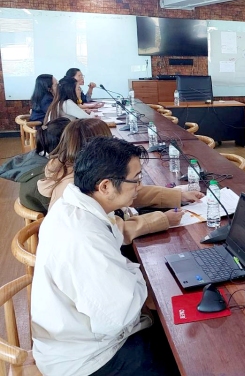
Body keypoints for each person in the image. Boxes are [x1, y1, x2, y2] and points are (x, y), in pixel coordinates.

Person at [31, 136, 180, 376]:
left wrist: (129, 274)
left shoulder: (77, 206)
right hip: (89, 359)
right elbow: (118, 315)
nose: (139, 186)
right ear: (105, 186)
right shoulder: (83, 236)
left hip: (79, 338)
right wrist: (136, 276)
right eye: (136, 180)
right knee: (182, 353)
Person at [37, 118, 201, 243]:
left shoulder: (71, 168)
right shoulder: (75, 184)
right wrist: (163, 219)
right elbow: (115, 232)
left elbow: (129, 191)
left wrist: (177, 195)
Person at [0, 118, 70, 213]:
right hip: (45, 217)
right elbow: (61, 209)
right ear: (64, 145)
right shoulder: (48, 174)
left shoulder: (35, 156)